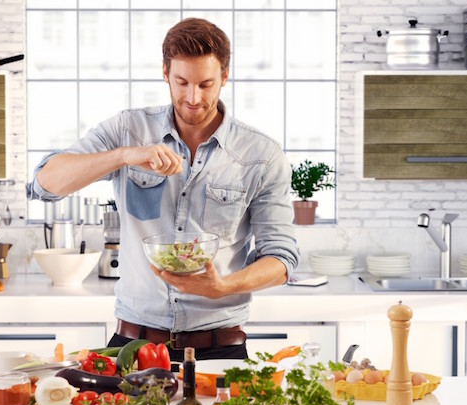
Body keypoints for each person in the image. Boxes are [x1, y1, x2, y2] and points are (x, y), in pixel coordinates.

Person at [27, 17, 300, 361]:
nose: (192, 97)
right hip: (132, 345)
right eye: (181, 82)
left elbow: (283, 259)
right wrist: (124, 156)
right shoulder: (129, 130)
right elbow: (44, 183)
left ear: (225, 78)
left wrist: (222, 287)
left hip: (221, 346)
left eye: (206, 84)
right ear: (165, 72)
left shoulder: (261, 155)